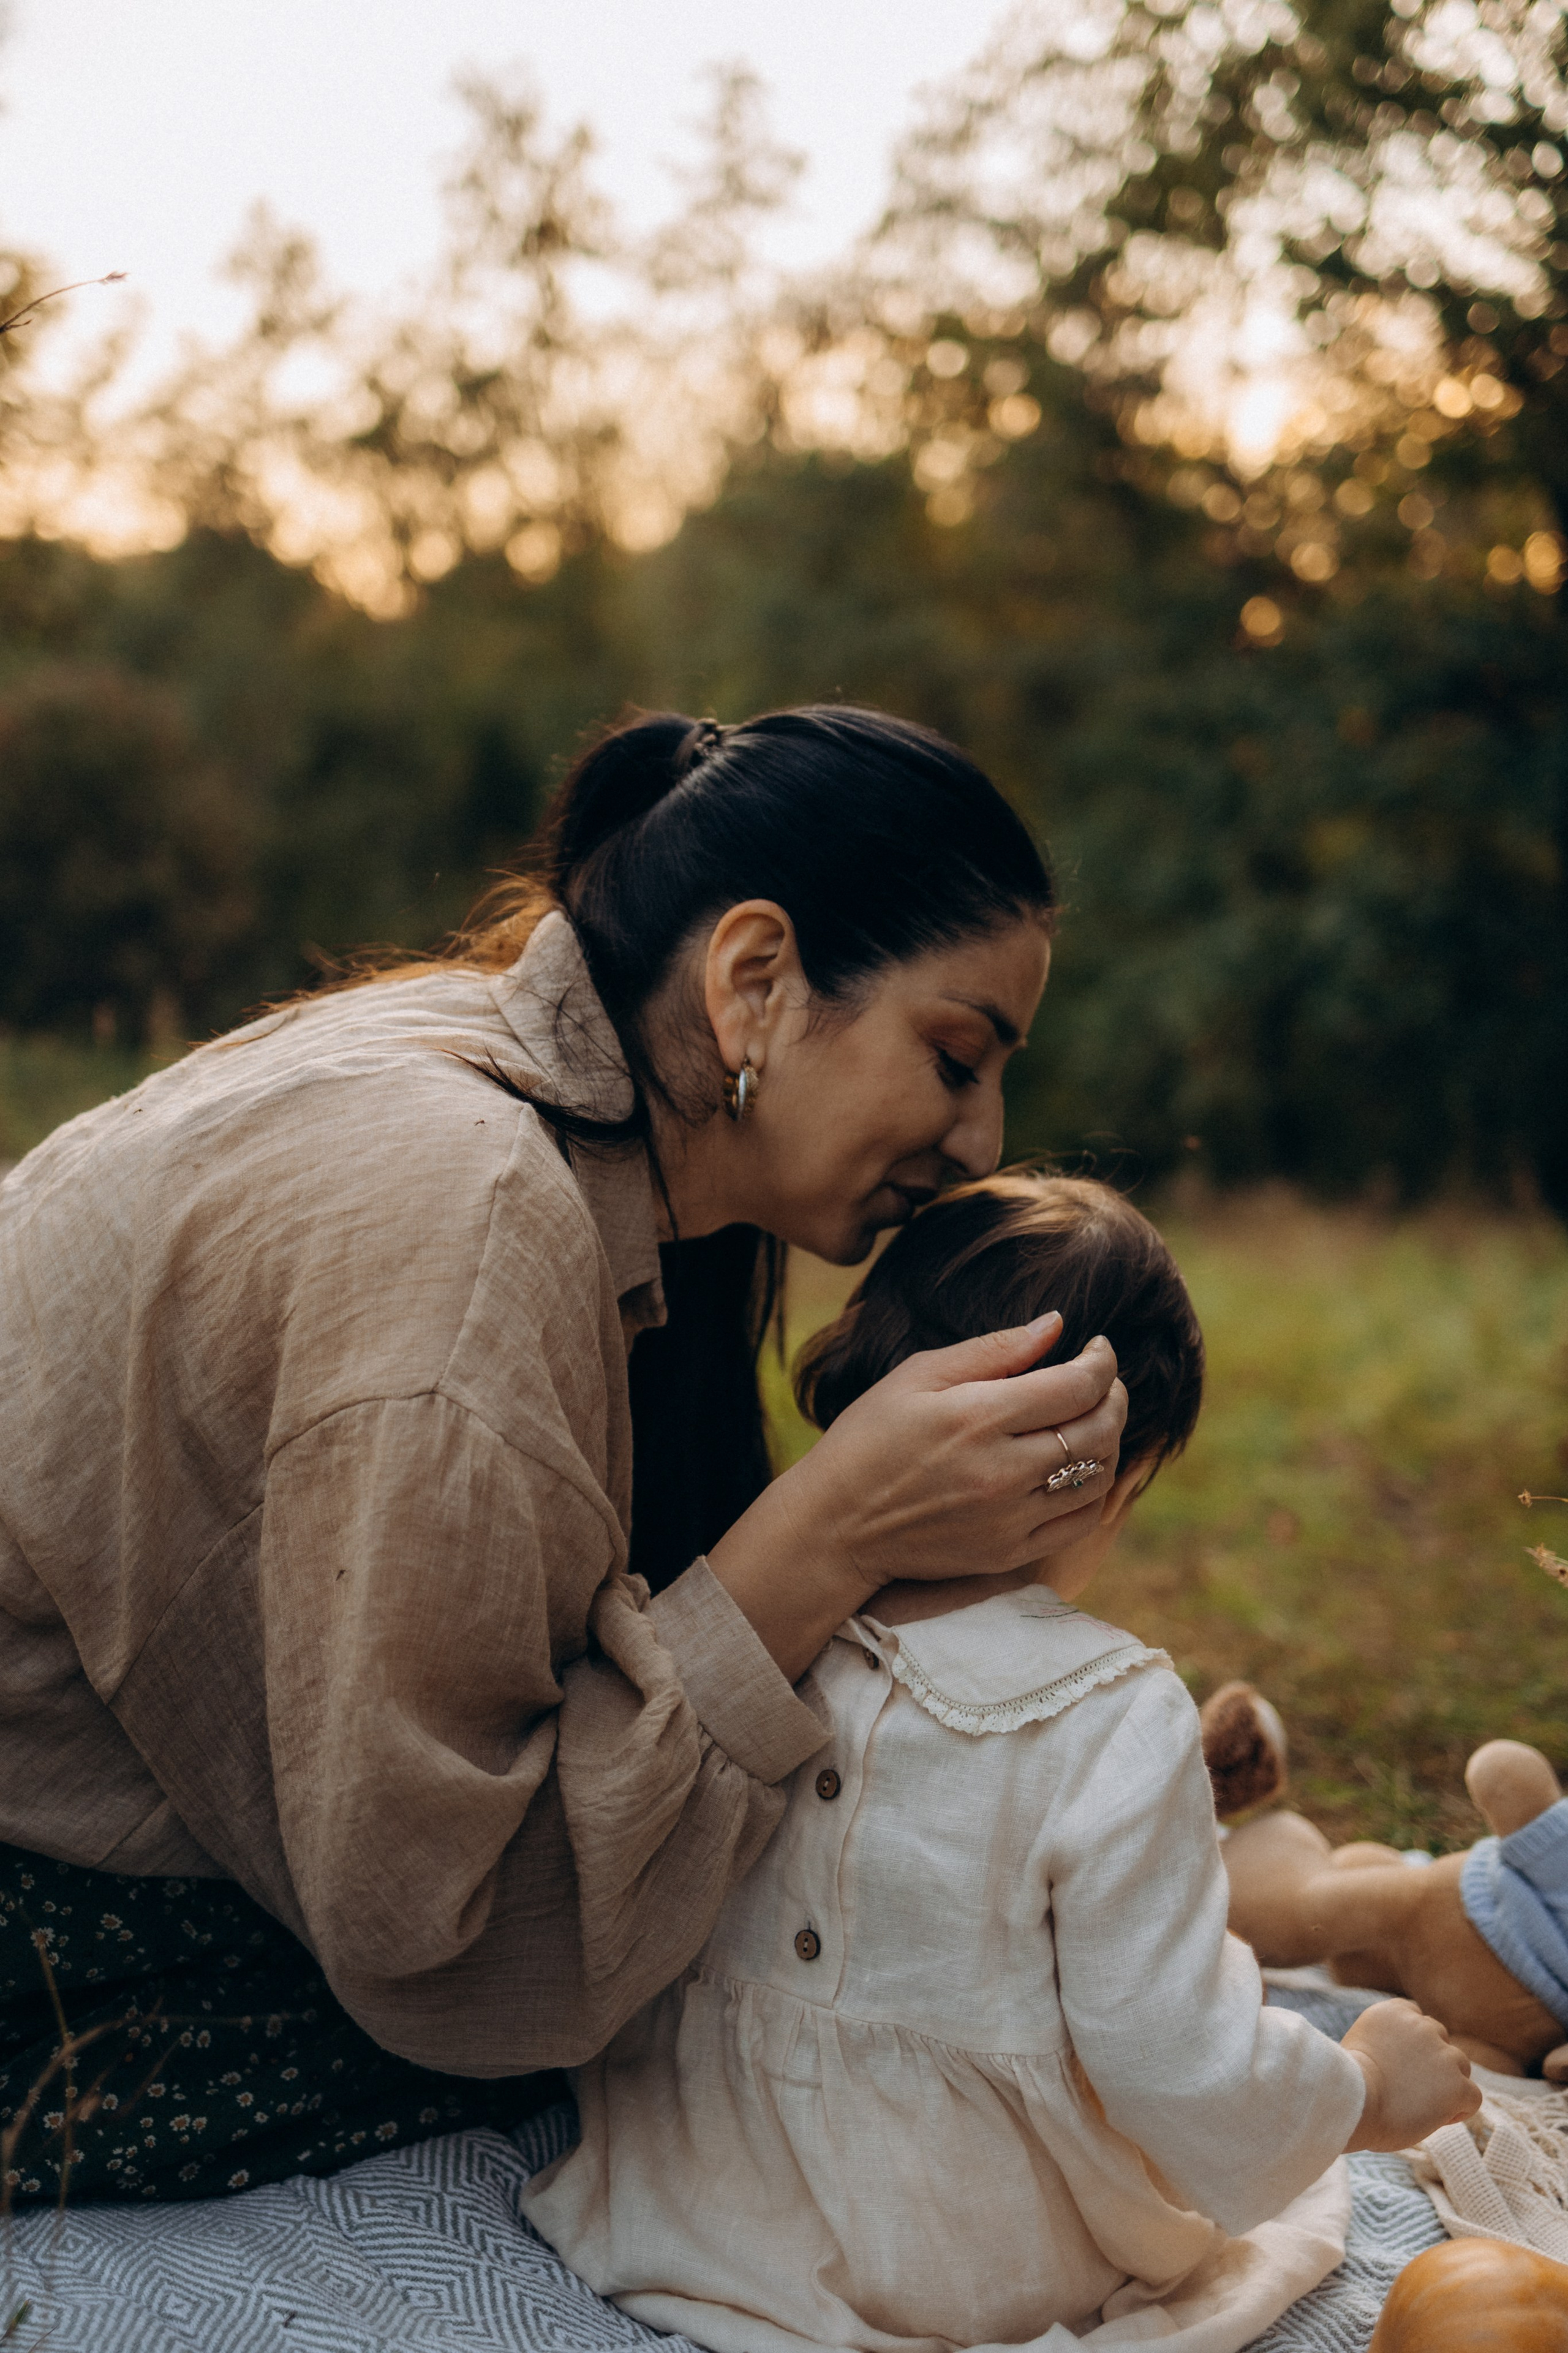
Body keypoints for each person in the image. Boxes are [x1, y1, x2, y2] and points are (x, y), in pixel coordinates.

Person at [0, 706, 1128, 2204]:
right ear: (753, 981)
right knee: (739, 2019)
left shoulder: (571, 1129)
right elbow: (455, 1948)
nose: (984, 1136)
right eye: (952, 1053)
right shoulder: (468, 1218)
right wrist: (831, 1532)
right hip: (44, 1931)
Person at [521, 1174, 1479, 2353]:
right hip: (972, 2259)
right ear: (1111, 1477)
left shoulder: (760, 1605)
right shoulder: (1115, 1714)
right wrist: (1363, 2090)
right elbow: (1174, 2058)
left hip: (695, 2202)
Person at [1205, 1690, 1568, 2079]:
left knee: (1459, 2074)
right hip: (1452, 1910)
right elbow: (1507, 1777)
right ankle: (1212, 1790)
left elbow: (1503, 1770)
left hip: (1505, 2030)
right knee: (1313, 1903)